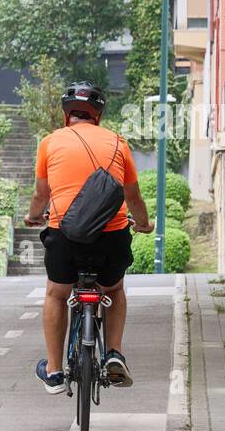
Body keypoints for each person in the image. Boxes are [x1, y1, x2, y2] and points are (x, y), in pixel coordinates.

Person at [22, 82, 154, 393]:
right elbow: (132, 195)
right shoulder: (118, 143)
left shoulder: (50, 143)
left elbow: (41, 194)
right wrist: (144, 224)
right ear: (98, 115)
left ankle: (54, 371)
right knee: (114, 289)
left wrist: (32, 216)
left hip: (64, 232)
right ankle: (113, 353)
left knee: (56, 293)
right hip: (111, 232)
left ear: (66, 114)